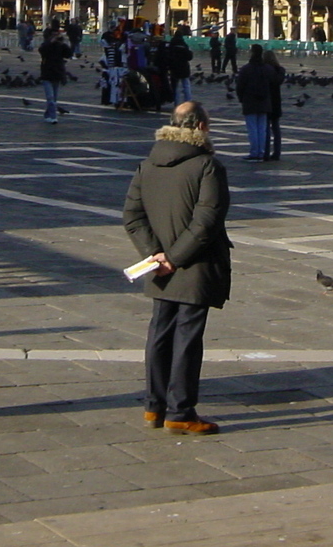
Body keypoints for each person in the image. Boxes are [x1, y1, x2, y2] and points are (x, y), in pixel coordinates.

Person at [122, 101, 231, 436]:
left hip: (160, 268)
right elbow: (207, 221)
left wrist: (155, 255)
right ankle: (180, 411)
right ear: (199, 127)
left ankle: (154, 407)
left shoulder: (147, 164)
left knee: (160, 333)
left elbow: (132, 215)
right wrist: (176, 257)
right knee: (186, 338)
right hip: (195, 266)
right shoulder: (207, 166)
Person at [235, 44, 276, 162]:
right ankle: (261, 152)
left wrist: (241, 98)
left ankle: (254, 152)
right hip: (264, 101)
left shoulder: (246, 69)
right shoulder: (267, 68)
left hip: (250, 101)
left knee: (252, 128)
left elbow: (240, 86)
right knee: (262, 129)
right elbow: (274, 81)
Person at [39, 29, 71, 123]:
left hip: (57, 74)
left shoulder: (60, 46)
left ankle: (47, 115)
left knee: (54, 98)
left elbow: (68, 54)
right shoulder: (45, 45)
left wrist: (63, 43)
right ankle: (53, 117)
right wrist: (50, 42)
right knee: (50, 97)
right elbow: (42, 51)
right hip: (47, 74)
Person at [263, 49, 286, 161]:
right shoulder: (279, 71)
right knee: (276, 128)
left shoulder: (264, 70)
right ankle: (277, 152)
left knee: (266, 128)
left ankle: (266, 152)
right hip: (276, 101)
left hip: (266, 100)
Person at [168, 28, 194, 105]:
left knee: (175, 87)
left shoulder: (171, 44)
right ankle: (188, 101)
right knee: (186, 85)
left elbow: (168, 56)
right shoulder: (184, 45)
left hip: (174, 67)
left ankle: (176, 103)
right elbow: (189, 57)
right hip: (184, 67)